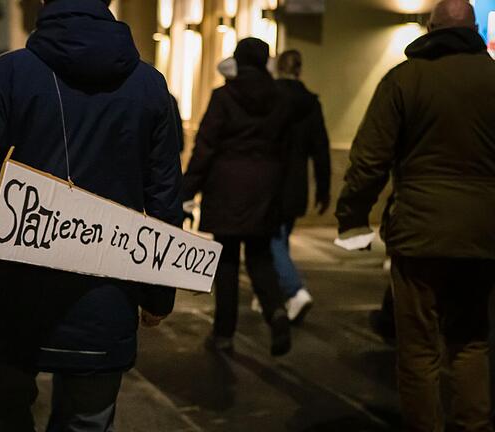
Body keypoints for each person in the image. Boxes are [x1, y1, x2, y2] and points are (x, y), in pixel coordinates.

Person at [0, 0, 182, 430]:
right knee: (87, 421)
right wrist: (158, 294)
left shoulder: (8, 75)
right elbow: (164, 199)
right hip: (108, 295)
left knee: (6, 414)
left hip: (14, 293)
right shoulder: (150, 86)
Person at [335, 1, 495, 429]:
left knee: (419, 348)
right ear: (474, 29)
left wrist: (352, 216)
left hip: (419, 231)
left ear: (429, 27)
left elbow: (369, 160)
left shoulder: (403, 80)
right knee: (471, 341)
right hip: (483, 234)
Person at [183, 37, 292, 357]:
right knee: (260, 257)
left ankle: (223, 333)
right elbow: (286, 151)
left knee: (227, 262)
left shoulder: (223, 96)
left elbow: (206, 145)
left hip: (226, 186)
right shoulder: (281, 100)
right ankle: (276, 311)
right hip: (264, 187)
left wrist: (187, 190)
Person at [269, 50, 331, 323]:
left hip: (270, 181)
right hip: (296, 184)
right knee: (281, 239)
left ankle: (295, 291)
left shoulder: (270, 97)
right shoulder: (311, 104)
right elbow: (321, 150)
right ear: (299, 70)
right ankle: (274, 293)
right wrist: (324, 188)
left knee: (272, 241)